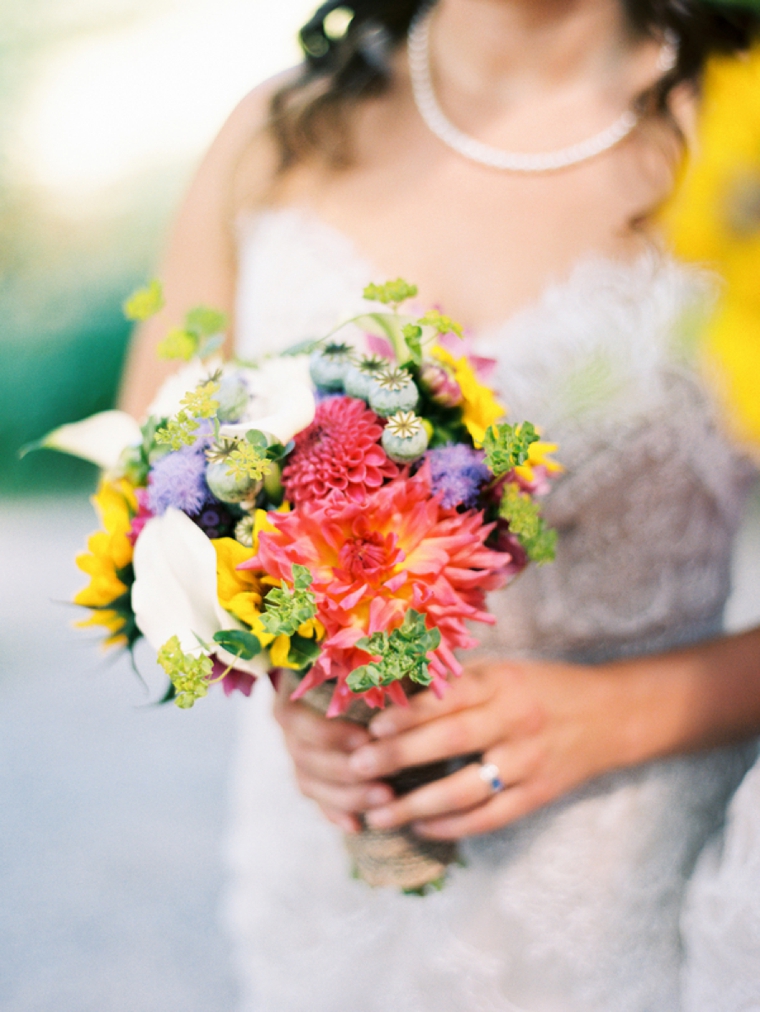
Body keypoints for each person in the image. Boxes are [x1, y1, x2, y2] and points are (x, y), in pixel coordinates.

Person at [120, 1, 760, 1009]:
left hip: (632, 866)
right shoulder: (272, 135)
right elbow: (145, 482)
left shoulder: (739, 141)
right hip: (330, 871)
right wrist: (272, 661)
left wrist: (622, 714)